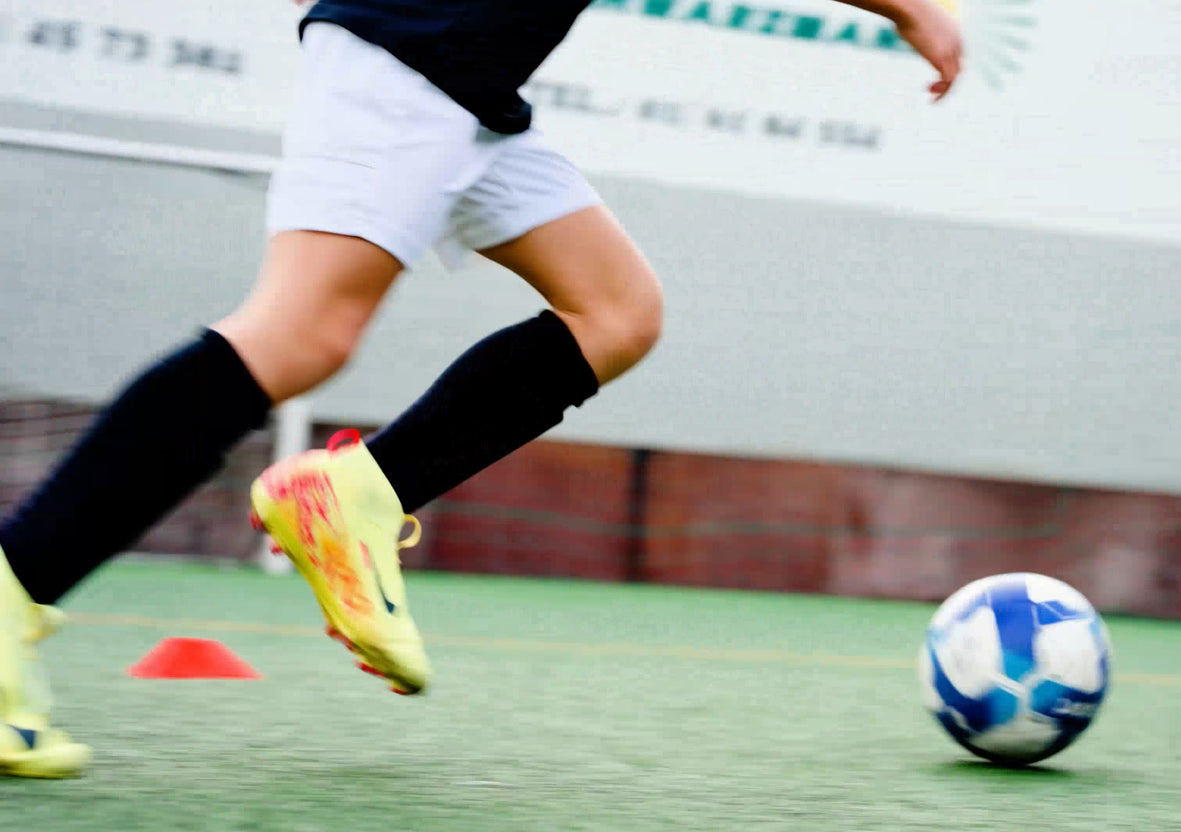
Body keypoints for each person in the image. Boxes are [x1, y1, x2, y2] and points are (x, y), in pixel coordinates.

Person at [0, 0, 964, 778]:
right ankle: (15, 589)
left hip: (463, 82)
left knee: (617, 311)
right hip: (409, 56)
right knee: (299, 333)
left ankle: (353, 497)